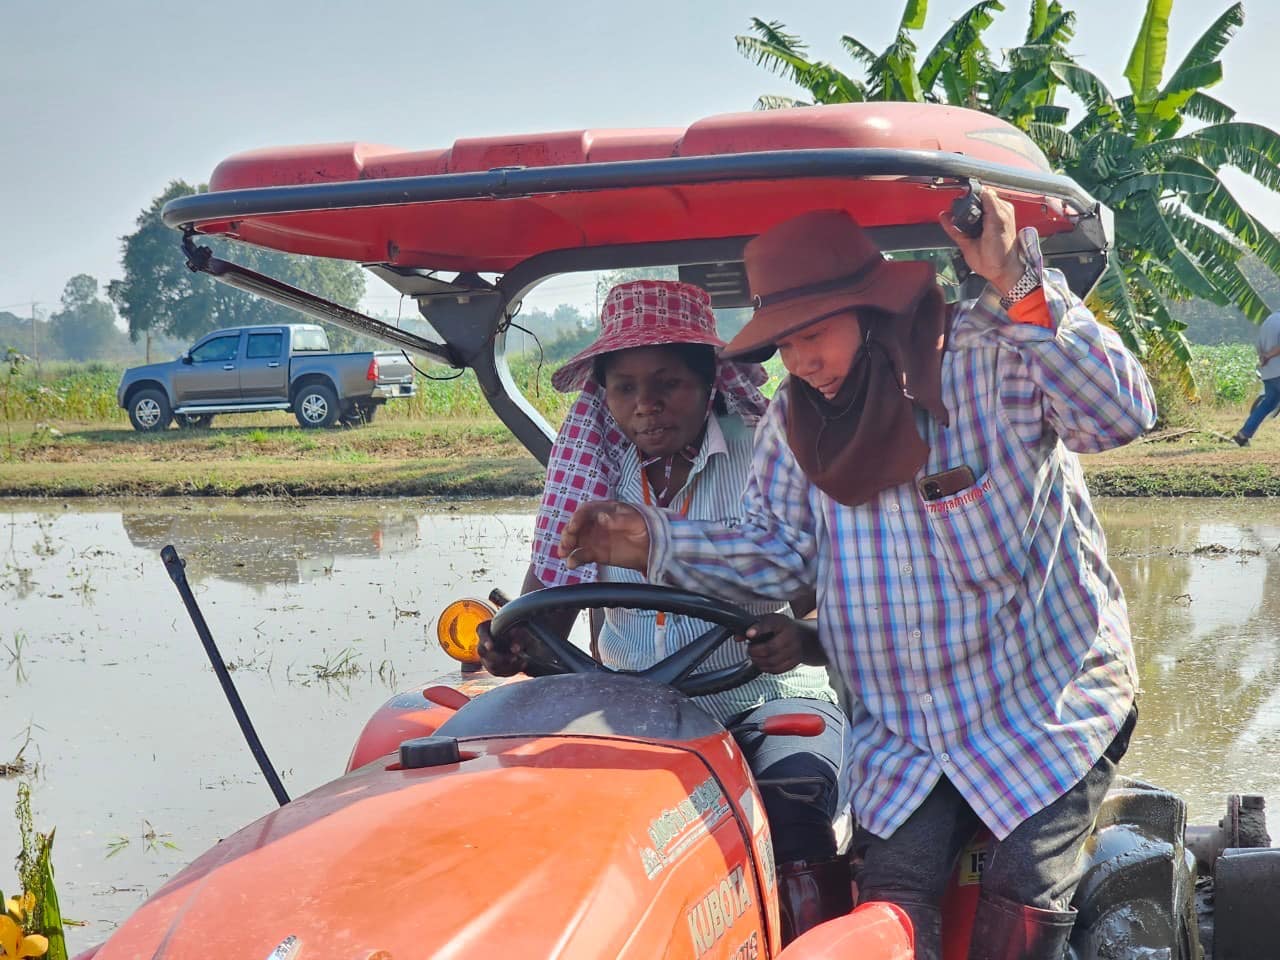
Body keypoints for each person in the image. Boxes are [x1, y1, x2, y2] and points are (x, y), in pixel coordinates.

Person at [557, 194, 1156, 960]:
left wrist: (1017, 280)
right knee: (888, 894)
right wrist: (652, 542)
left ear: (871, 314)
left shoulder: (989, 362)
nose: (800, 361)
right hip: (906, 729)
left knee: (1023, 886)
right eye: (784, 343)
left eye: (813, 334)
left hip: (1042, 703)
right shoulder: (793, 421)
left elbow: (1120, 417)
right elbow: (777, 551)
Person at [478, 279, 850, 941]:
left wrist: (798, 634)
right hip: (630, 710)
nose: (645, 405)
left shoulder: (765, 453)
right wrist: (510, 647)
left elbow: (824, 608)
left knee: (794, 804)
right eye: (624, 388)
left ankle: (811, 944)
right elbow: (544, 618)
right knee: (529, 805)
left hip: (762, 697)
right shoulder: (596, 472)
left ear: (710, 382)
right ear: (604, 395)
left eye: (668, 384)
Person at [1233, 309, 1280, 446]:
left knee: (1267, 404)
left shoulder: (1268, 320)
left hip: (1268, 372)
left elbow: (1258, 345)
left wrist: (1263, 357)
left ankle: (1243, 435)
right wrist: (1268, 356)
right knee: (1268, 404)